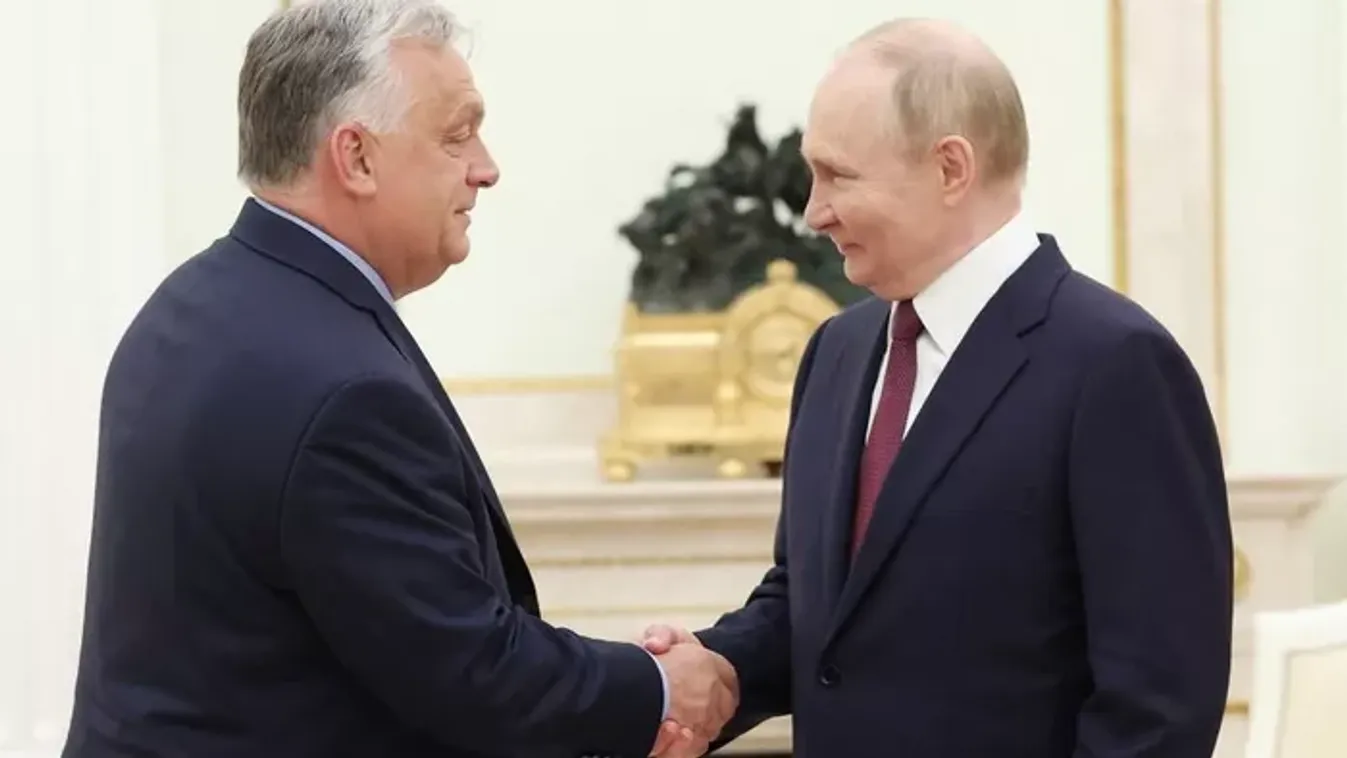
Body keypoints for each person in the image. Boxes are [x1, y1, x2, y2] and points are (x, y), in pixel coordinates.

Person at [60, 1, 734, 756]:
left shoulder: (194, 303)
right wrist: (662, 689)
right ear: (355, 157)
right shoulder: (342, 389)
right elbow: (471, 672)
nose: (486, 167)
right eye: (456, 135)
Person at [644, 18, 1233, 758]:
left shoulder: (1115, 364)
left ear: (950, 168)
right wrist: (717, 670)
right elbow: (818, 606)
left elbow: (1159, 707)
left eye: (838, 176)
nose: (813, 212)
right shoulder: (836, 351)